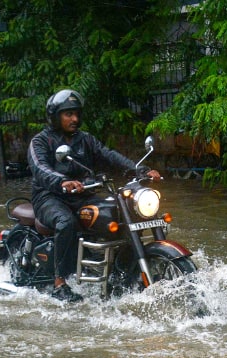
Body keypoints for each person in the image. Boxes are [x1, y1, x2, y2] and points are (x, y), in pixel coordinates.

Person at [28, 89, 160, 303]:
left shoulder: (84, 139)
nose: (75, 119)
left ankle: (118, 273)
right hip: (50, 196)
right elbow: (40, 168)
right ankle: (59, 282)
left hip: (82, 194)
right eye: (68, 114)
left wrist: (140, 170)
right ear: (55, 116)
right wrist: (62, 182)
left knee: (115, 213)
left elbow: (108, 155)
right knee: (65, 221)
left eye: (76, 114)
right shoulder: (41, 141)